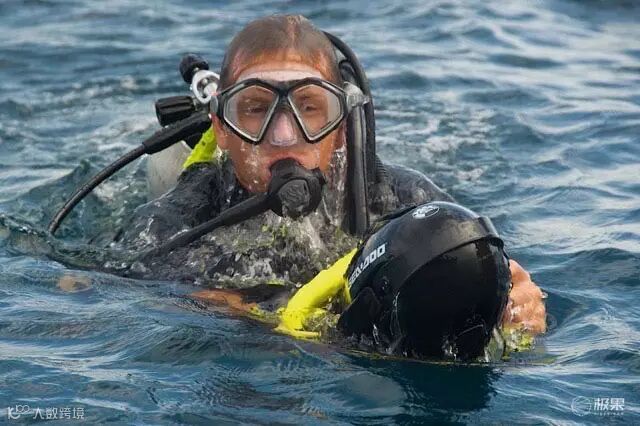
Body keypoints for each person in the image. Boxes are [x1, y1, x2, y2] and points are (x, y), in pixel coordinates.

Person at [119, 14, 545, 337]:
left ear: (340, 129)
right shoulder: (178, 222)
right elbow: (128, 293)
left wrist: (513, 302)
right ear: (222, 130)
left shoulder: (400, 198)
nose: (284, 136)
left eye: (309, 108)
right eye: (255, 108)